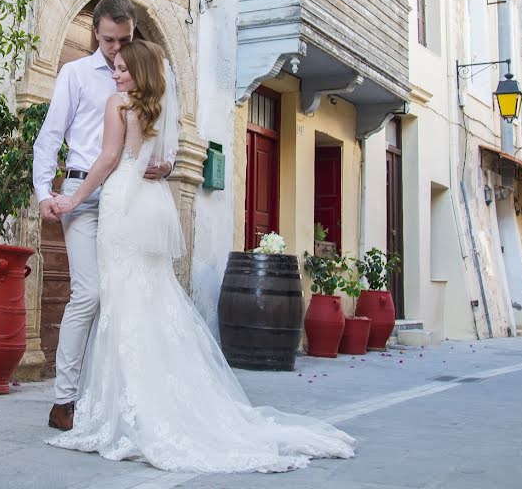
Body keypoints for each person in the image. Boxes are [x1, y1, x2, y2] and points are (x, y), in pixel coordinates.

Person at [44, 40, 356, 473]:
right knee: (150, 296)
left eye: (120, 69)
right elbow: (164, 159)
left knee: (122, 299)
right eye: (113, 68)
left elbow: (109, 157)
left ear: (136, 71)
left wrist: (74, 197)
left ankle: (126, 407)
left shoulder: (118, 104)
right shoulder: (159, 103)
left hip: (121, 203)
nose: (113, 76)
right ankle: (156, 398)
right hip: (150, 202)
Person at [32, 0, 175, 432]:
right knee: (88, 294)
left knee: (123, 296)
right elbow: (49, 137)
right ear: (96, 33)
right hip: (80, 189)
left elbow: (165, 141)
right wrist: (45, 194)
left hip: (126, 198)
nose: (117, 50)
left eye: (125, 40)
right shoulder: (74, 74)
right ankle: (64, 400)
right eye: (110, 40)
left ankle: (117, 397)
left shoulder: (143, 78)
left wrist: (164, 164)